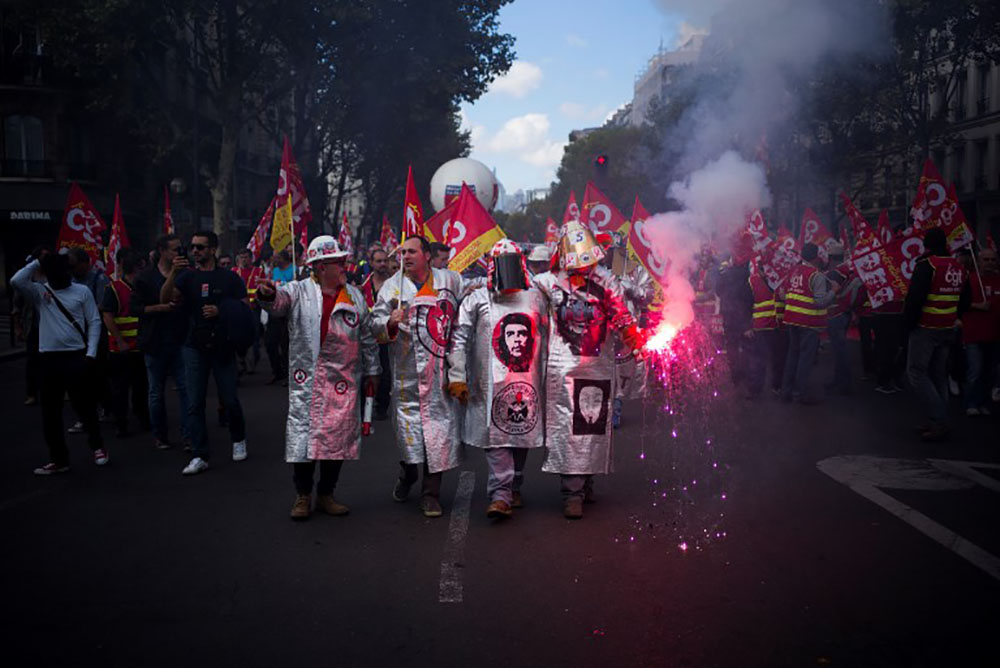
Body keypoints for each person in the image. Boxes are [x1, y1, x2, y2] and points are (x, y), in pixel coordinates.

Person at [257, 236, 381, 520]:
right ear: (321, 266)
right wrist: (266, 294)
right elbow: (276, 304)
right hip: (308, 381)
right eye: (339, 262)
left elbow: (368, 336)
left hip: (342, 381)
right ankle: (303, 495)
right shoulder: (297, 291)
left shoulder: (354, 296)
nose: (345, 266)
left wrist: (373, 371)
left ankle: (327, 493)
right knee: (304, 439)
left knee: (335, 441)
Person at [532, 221, 646, 519]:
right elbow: (529, 310)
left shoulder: (606, 282)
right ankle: (572, 492)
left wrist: (634, 340)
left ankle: (587, 481)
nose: (583, 270)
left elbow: (621, 315)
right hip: (562, 369)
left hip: (597, 367)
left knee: (592, 428)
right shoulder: (546, 283)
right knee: (568, 428)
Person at [448, 240, 548, 519]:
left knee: (521, 434)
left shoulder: (536, 297)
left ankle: (514, 485)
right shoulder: (478, 298)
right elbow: (458, 338)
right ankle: (500, 494)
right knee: (496, 437)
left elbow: (552, 335)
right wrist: (457, 376)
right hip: (488, 385)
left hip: (527, 380)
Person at [371, 235, 463, 518]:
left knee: (438, 437)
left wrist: (458, 371)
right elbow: (373, 327)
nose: (406, 257)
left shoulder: (450, 281)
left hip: (439, 376)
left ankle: (430, 495)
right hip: (405, 380)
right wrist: (389, 322)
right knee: (410, 441)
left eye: (412, 252)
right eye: (402, 253)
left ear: (426, 254)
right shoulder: (391, 287)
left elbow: (464, 314)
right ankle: (408, 475)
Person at [12, 251, 109, 474]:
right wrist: (39, 260)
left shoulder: (81, 291)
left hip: (76, 356)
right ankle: (59, 459)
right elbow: (16, 281)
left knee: (84, 406)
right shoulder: (40, 292)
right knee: (50, 413)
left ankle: (98, 446)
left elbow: (94, 322)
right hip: (48, 359)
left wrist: (91, 354)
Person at [160, 230, 248, 474]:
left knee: (229, 398)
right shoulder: (186, 277)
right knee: (194, 402)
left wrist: (222, 312)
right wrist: (174, 274)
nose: (194, 251)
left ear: (212, 250)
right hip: (193, 346)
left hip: (221, 345)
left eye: (200, 247)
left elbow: (244, 308)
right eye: (192, 247)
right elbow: (167, 299)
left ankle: (238, 439)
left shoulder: (229, 278)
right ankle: (200, 454)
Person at [903, 227, 971, 441]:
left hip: (926, 328)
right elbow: (966, 299)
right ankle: (937, 420)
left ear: (927, 245)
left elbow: (914, 300)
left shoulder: (927, 266)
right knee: (938, 374)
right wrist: (953, 315)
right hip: (948, 329)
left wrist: (907, 326)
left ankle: (939, 418)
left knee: (916, 372)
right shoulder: (959, 267)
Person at [131, 234, 191, 450]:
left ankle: (187, 434)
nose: (178, 253)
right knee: (156, 391)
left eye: (180, 249)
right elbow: (135, 309)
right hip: (155, 341)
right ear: (162, 251)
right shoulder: (145, 278)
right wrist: (159, 308)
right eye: (174, 250)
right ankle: (160, 434)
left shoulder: (186, 274)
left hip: (180, 338)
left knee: (185, 389)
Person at [101, 248, 150, 438]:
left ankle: (142, 417)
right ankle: (121, 422)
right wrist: (120, 341)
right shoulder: (113, 289)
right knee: (120, 389)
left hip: (141, 347)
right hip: (120, 349)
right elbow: (108, 316)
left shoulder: (143, 287)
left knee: (141, 387)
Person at [780, 243, 836, 404]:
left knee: (792, 356)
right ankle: (799, 394)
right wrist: (834, 291)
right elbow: (820, 302)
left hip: (791, 320)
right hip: (808, 322)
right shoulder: (816, 275)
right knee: (805, 359)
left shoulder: (793, 271)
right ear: (816, 257)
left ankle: (786, 392)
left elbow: (784, 295)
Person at [66, 247, 113, 430]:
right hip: (74, 336)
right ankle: (87, 414)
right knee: (80, 378)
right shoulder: (68, 280)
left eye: (74, 265)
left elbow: (101, 307)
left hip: (95, 333)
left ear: (85, 263)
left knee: (98, 374)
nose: (72, 269)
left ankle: (106, 408)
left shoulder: (99, 279)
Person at [962, 248, 1000, 415]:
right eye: (986, 260)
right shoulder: (970, 280)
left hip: (995, 333)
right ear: (978, 262)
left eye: (992, 259)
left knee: (989, 372)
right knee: (975, 371)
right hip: (974, 333)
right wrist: (977, 306)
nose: (989, 263)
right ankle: (971, 403)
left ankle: (982, 402)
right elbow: (960, 303)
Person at [824, 243, 862, 395]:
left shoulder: (835, 273)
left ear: (830, 257)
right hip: (844, 314)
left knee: (840, 351)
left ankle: (845, 384)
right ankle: (838, 380)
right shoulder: (846, 269)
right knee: (840, 349)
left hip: (836, 315)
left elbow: (829, 294)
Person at [746, 258, 786, 398]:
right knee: (758, 360)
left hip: (779, 325)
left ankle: (777, 386)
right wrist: (747, 326)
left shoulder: (781, 279)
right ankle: (755, 390)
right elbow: (746, 305)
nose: (768, 273)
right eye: (765, 270)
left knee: (779, 359)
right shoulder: (752, 280)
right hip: (761, 326)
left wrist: (784, 296)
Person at [360, 247, 393, 420]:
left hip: (386, 337)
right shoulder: (362, 285)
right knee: (364, 372)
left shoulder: (396, 285)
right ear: (371, 263)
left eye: (385, 261)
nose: (382, 264)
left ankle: (382, 407)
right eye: (378, 261)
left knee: (385, 373)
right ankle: (363, 407)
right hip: (366, 336)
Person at [232, 248, 264, 375]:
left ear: (251, 258)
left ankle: (252, 361)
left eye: (246, 257)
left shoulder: (258, 271)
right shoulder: (234, 272)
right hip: (238, 310)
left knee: (254, 335)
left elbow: (262, 288)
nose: (244, 260)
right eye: (241, 257)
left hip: (253, 309)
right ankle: (242, 361)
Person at [266, 248, 294, 384]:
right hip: (274, 310)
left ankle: (289, 374)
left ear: (283, 259)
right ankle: (277, 371)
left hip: (288, 312)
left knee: (286, 345)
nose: (273, 260)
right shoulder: (275, 271)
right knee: (270, 342)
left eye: (276, 258)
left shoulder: (294, 270)